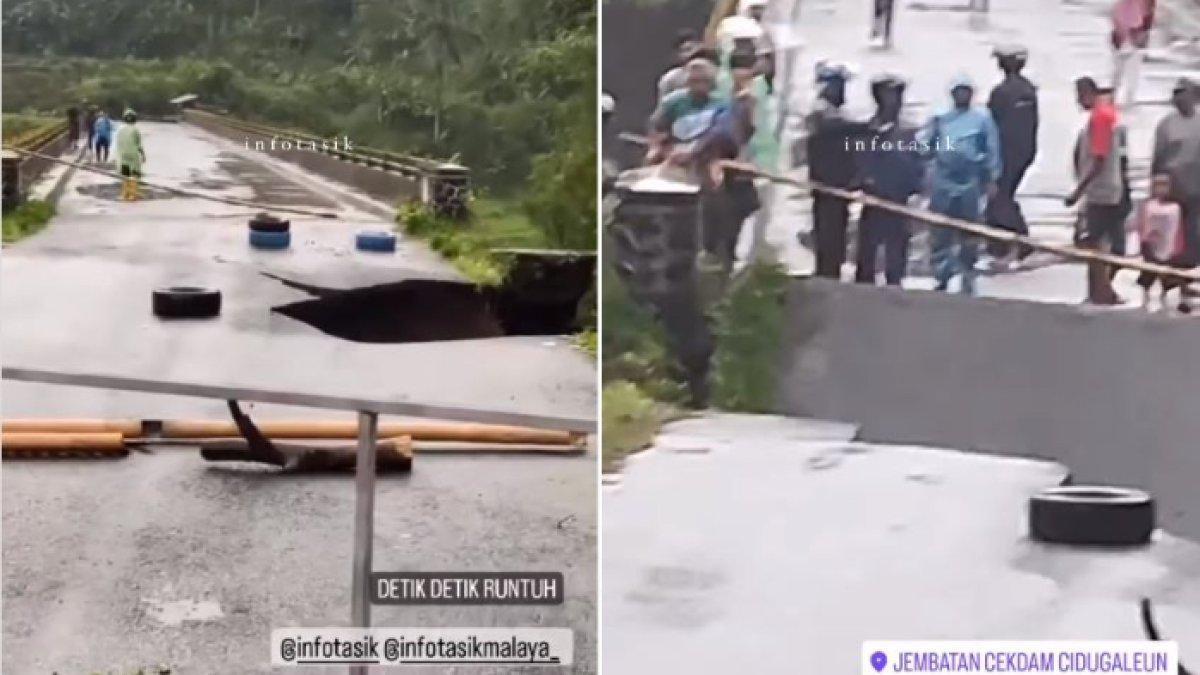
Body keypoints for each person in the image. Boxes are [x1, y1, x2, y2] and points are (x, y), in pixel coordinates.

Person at [920, 75, 1001, 296]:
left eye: (966, 91)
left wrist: (992, 178)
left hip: (970, 180)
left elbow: (992, 149)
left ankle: (967, 274)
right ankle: (941, 275)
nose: (962, 95)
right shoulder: (941, 118)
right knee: (940, 230)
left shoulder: (982, 119)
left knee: (970, 230)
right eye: (959, 91)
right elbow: (925, 145)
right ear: (952, 94)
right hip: (943, 179)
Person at [854, 74, 924, 286]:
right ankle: (864, 281)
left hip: (899, 197)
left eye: (899, 96)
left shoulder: (908, 131)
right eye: (891, 96)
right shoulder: (867, 130)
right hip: (873, 196)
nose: (896, 101)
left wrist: (916, 188)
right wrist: (864, 180)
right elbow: (859, 159)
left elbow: (916, 161)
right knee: (868, 246)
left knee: (898, 245)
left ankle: (895, 280)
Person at [806, 62, 868, 279]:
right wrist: (868, 127)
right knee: (828, 233)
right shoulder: (821, 111)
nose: (843, 92)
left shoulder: (836, 113)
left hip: (839, 185)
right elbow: (835, 128)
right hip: (826, 186)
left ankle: (831, 271)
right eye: (840, 86)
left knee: (837, 233)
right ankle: (826, 273)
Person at [1067, 77, 1124, 304]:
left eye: (1080, 96)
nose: (1078, 102)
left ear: (1088, 93)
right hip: (1108, 188)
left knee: (1096, 242)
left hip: (1102, 191)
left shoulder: (1100, 118)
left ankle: (1100, 291)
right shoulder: (1106, 116)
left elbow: (1099, 160)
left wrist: (1078, 192)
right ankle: (1100, 290)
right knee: (1100, 241)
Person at [984, 44, 1038, 267]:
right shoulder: (1029, 90)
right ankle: (1001, 244)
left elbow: (990, 125)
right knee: (1004, 195)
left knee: (999, 198)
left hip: (1006, 153)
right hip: (1025, 151)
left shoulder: (1001, 93)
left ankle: (1018, 241)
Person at [1150, 78, 1200, 296]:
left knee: (1193, 238)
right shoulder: (1167, 125)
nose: (1180, 98)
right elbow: (1157, 160)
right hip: (1172, 189)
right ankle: (1167, 280)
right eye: (1177, 94)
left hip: (1195, 189)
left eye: (1184, 93)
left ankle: (1185, 281)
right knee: (1169, 239)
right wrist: (1155, 189)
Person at [647, 59, 725, 169]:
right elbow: (656, 127)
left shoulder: (721, 104)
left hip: (708, 155)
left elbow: (721, 135)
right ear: (687, 82)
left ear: (712, 83)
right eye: (695, 81)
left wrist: (695, 151)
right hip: (674, 153)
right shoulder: (672, 101)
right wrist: (655, 148)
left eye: (704, 81)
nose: (699, 86)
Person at [1133, 174, 1190, 312]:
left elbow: (1179, 228)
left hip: (1170, 246)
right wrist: (1143, 242)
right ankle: (1145, 299)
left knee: (1170, 276)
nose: (1161, 189)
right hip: (1151, 246)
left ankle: (1166, 298)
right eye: (1158, 185)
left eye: (1164, 185)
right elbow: (1142, 224)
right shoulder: (1148, 205)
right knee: (1148, 274)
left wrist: (1179, 245)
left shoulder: (1176, 207)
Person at [1111, 0, 1156, 109]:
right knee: (1126, 72)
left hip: (1129, 37)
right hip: (1129, 37)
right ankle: (1122, 100)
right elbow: (1148, 15)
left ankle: (1117, 99)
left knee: (1120, 71)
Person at [658, 29, 702, 101]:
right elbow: (664, 105)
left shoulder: (715, 72)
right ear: (678, 55)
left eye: (694, 48)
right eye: (686, 50)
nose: (692, 53)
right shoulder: (670, 79)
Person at [115, 108, 146, 201]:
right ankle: (132, 195)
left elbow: (118, 143)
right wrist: (143, 155)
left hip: (122, 155)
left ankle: (125, 194)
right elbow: (139, 145)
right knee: (134, 175)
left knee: (125, 175)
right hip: (133, 155)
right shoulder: (135, 130)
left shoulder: (120, 129)